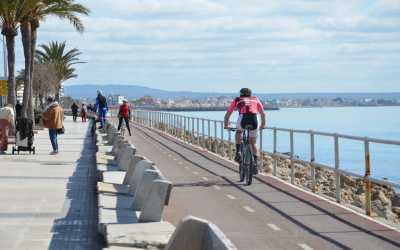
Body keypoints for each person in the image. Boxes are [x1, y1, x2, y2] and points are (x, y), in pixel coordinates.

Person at [224, 88, 266, 173]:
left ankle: (238, 151)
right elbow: (262, 113)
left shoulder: (237, 99)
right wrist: (263, 125)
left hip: (243, 118)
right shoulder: (255, 99)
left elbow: (228, 113)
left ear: (240, 94)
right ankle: (255, 163)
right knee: (253, 143)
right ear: (250, 94)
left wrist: (226, 125)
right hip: (254, 119)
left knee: (239, 132)